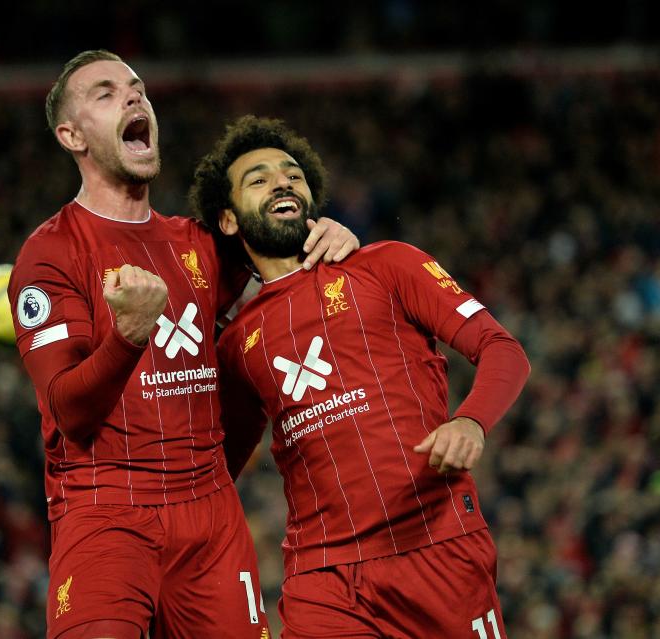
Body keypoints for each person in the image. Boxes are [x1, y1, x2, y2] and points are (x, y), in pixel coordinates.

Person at [8, 51, 358, 639]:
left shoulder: (197, 242)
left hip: (210, 514)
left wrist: (334, 233)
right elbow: (68, 412)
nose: (133, 97)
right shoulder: (51, 254)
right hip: (106, 510)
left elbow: (287, 244)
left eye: (137, 87)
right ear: (71, 136)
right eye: (105, 93)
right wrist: (127, 337)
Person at [190, 115, 531, 638]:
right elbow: (220, 468)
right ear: (230, 220)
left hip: (434, 546)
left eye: (293, 174)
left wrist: (471, 423)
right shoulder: (236, 343)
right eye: (257, 179)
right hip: (321, 574)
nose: (282, 181)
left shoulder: (388, 265)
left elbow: (503, 350)